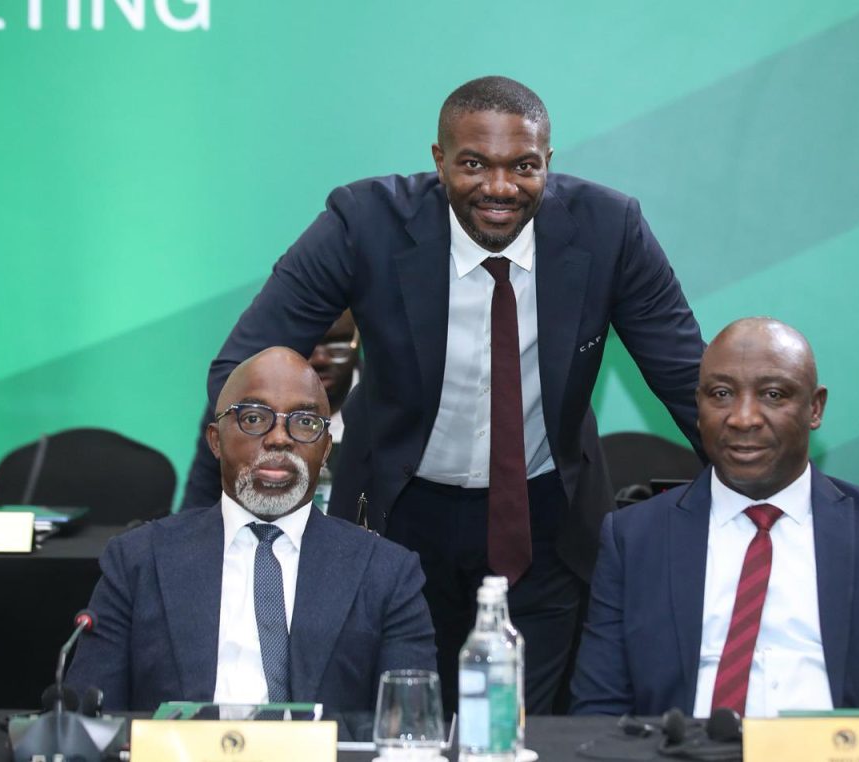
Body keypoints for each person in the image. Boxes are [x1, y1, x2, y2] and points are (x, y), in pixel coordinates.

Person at [188, 75, 706, 714]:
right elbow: (240, 373)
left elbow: (691, 384)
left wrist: (759, 511)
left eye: (523, 167)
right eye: (473, 164)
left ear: (549, 162)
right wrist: (195, 537)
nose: (498, 187)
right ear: (438, 162)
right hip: (395, 520)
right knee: (403, 726)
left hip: (543, 521)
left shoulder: (609, 228)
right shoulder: (364, 222)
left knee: (525, 734)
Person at [570, 318, 859, 718]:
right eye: (722, 393)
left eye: (774, 395)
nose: (743, 418)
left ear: (814, 408)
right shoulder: (634, 537)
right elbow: (597, 714)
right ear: (699, 406)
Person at [66, 347, 436, 712]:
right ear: (216, 439)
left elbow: (412, 733)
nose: (279, 438)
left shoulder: (387, 575)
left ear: (325, 450)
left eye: (304, 422)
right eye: (255, 418)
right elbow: (88, 725)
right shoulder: (137, 562)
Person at [181, 310, 360, 509]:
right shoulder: (237, 403)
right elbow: (200, 504)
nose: (320, 359)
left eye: (339, 345)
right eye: (309, 345)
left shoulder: (386, 407)